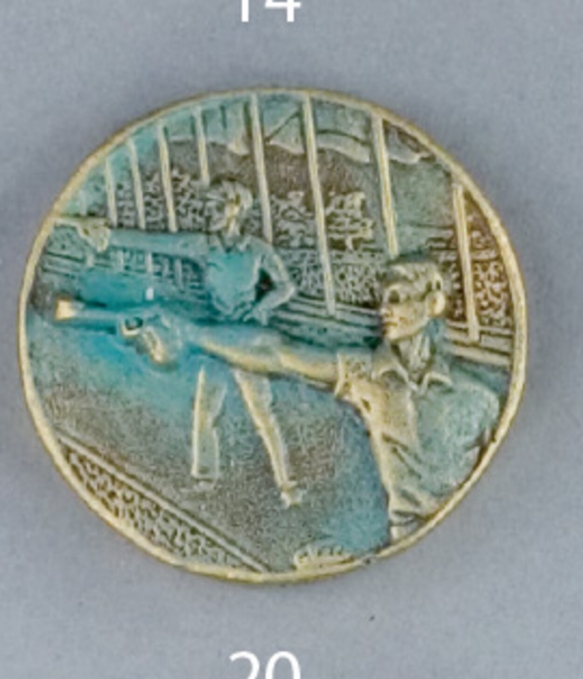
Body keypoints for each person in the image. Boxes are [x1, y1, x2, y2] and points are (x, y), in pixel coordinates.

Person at [144, 256, 502, 555]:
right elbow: (277, 353)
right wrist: (191, 333)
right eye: (382, 299)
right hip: (408, 547)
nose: (383, 309)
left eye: (397, 298)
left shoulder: (481, 399)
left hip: (478, 543)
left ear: (433, 304)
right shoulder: (365, 374)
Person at [71, 180, 301, 506]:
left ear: (235, 210)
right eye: (209, 207)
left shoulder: (257, 251)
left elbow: (286, 287)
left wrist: (260, 307)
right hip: (212, 337)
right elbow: (155, 244)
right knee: (205, 410)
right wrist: (108, 236)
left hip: (247, 340)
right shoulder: (203, 246)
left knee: (262, 412)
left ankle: (287, 485)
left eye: (217, 207)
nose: (210, 213)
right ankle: (205, 478)